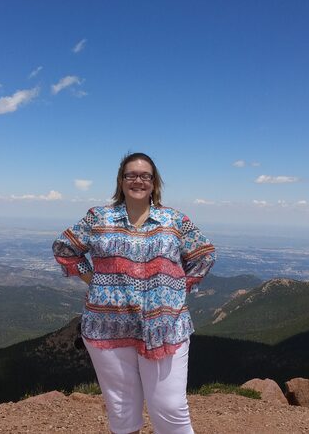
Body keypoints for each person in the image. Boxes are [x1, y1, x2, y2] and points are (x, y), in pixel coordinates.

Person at [53, 152, 215, 434]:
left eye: (145, 176)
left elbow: (204, 255)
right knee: (121, 409)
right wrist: (94, 279)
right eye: (131, 175)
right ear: (121, 180)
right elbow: (64, 248)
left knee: (170, 407)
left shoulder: (174, 219)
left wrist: (176, 288)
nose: (137, 180)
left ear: (154, 183)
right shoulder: (99, 217)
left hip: (165, 328)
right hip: (108, 328)